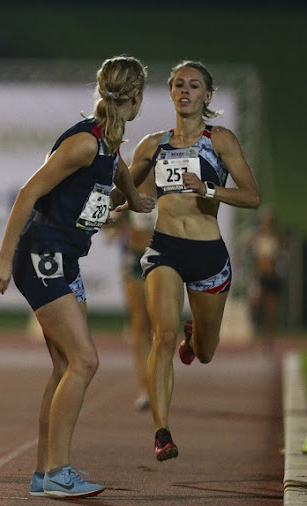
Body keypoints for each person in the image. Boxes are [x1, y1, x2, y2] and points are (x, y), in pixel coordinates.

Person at [0, 56, 154, 499]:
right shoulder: (84, 142)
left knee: (64, 367)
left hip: (65, 257)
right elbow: (29, 193)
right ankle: (59, 470)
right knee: (85, 361)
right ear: (135, 98)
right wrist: (4, 260)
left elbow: (114, 174)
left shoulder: (109, 142)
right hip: (44, 254)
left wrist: (133, 197)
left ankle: (44, 475)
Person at [127, 60, 260, 462]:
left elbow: (253, 196)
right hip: (165, 248)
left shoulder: (220, 140)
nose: (186, 91)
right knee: (161, 336)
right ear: (170, 92)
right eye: (180, 85)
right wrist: (118, 201)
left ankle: (194, 338)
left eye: (195, 85)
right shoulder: (152, 144)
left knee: (205, 352)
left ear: (207, 95)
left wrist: (211, 190)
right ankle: (161, 432)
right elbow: (126, 190)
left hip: (208, 254)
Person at [105, 174, 157, 411]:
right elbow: (111, 219)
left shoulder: (168, 190)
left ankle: (158, 382)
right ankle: (144, 388)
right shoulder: (129, 189)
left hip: (161, 259)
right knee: (139, 323)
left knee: (160, 325)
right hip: (135, 258)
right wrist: (112, 221)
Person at [245, 208, 287, 352]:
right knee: (255, 304)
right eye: (264, 222)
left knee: (270, 312)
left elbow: (282, 255)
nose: (266, 224)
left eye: (269, 222)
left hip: (272, 277)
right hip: (260, 278)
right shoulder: (256, 237)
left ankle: (267, 342)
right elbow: (246, 246)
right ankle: (256, 331)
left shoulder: (277, 238)